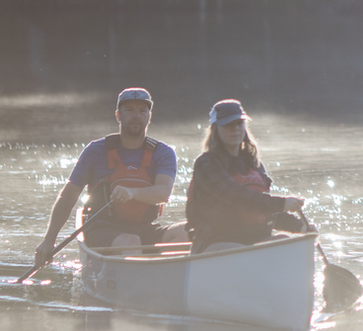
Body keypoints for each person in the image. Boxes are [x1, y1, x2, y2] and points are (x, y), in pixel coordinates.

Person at [35, 87, 187, 267]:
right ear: (118, 115)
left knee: (190, 230)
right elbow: (68, 196)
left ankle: (166, 272)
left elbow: (163, 193)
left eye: (142, 111)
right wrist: (49, 240)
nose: (136, 116)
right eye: (129, 110)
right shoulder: (95, 151)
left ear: (149, 116)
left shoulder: (163, 152)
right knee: (131, 242)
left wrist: (131, 193)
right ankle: (139, 282)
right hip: (101, 229)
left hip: (144, 229)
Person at [186, 99, 306, 253]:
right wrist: (282, 203)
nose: (235, 129)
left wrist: (301, 227)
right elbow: (235, 195)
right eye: (228, 125)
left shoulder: (253, 164)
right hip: (214, 244)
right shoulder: (206, 164)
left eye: (239, 124)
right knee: (238, 250)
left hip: (251, 243)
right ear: (216, 129)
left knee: (284, 241)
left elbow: (265, 208)